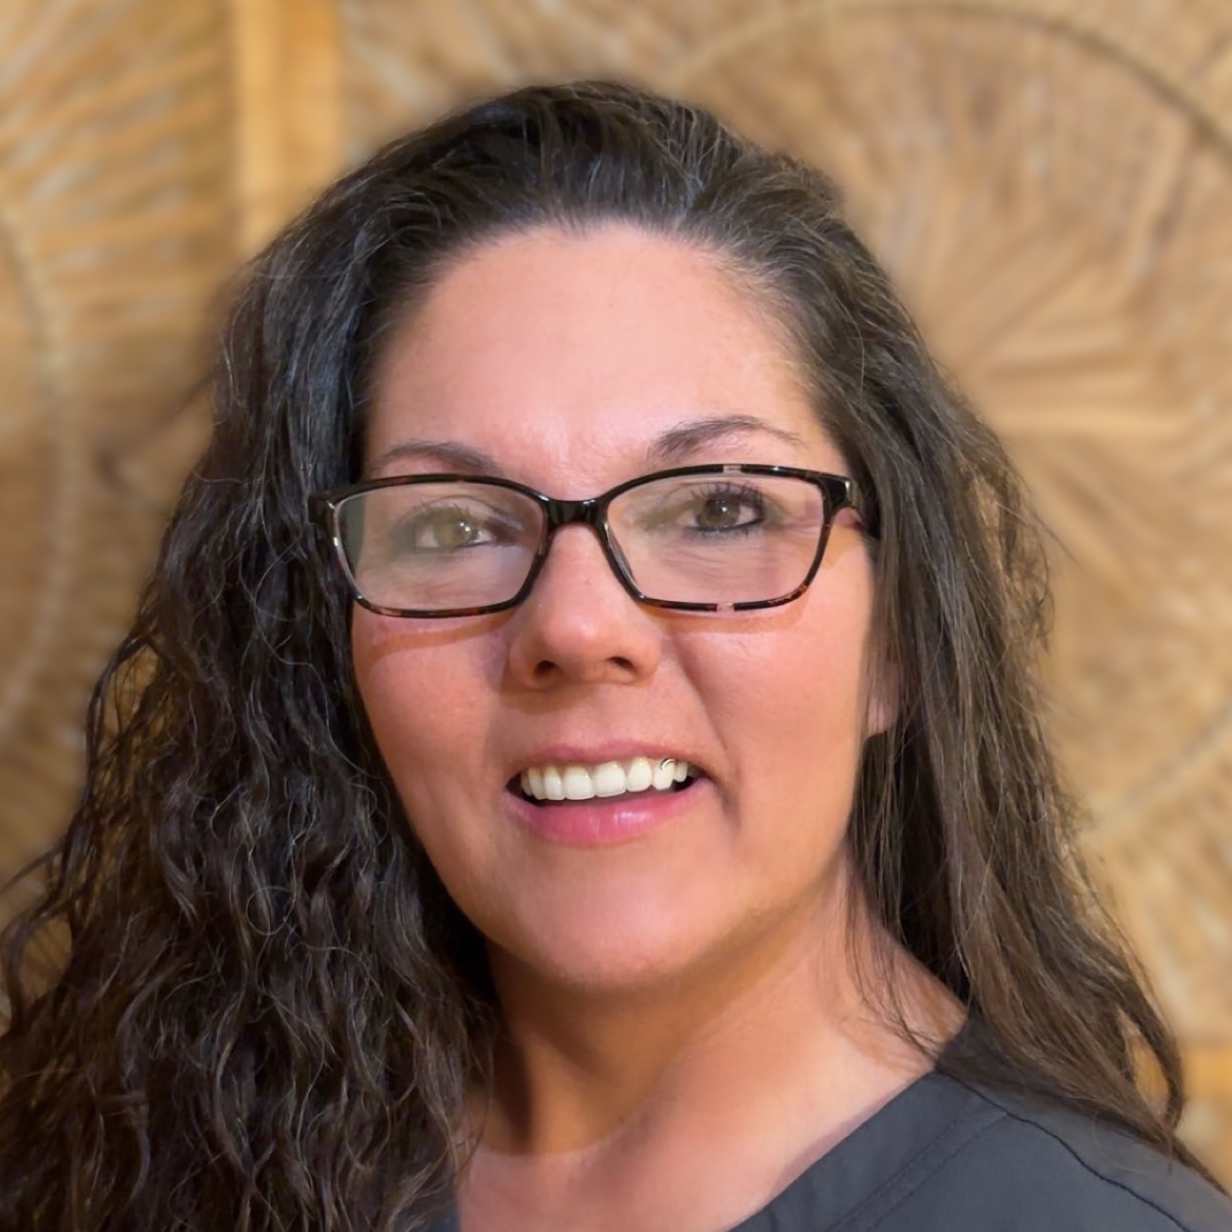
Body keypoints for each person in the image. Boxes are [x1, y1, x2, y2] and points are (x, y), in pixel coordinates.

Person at [0, 78, 1229, 1232]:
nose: (577, 629)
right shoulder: (181, 1159)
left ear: (896, 633)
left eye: (717, 510)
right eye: (453, 525)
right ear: (326, 635)